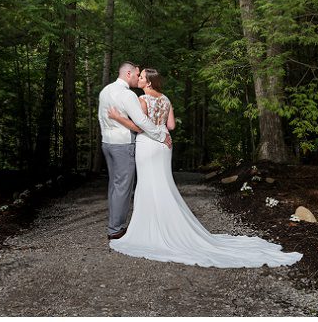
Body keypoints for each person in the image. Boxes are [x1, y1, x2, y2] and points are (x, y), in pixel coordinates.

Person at [107, 67, 302, 268]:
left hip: (148, 144)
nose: (138, 79)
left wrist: (118, 118)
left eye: (141, 77)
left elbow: (140, 126)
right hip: (165, 145)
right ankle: (169, 226)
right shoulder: (166, 100)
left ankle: (150, 230)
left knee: (148, 184)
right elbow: (171, 125)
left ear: (148, 82)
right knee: (163, 184)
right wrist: (160, 128)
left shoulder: (142, 100)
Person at [98, 61, 172, 241]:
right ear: (128, 73)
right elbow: (142, 123)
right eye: (137, 74)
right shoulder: (128, 95)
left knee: (115, 185)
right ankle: (116, 229)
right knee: (123, 187)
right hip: (123, 144)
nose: (138, 77)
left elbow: (102, 117)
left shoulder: (105, 91)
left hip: (107, 142)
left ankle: (114, 224)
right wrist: (161, 136)